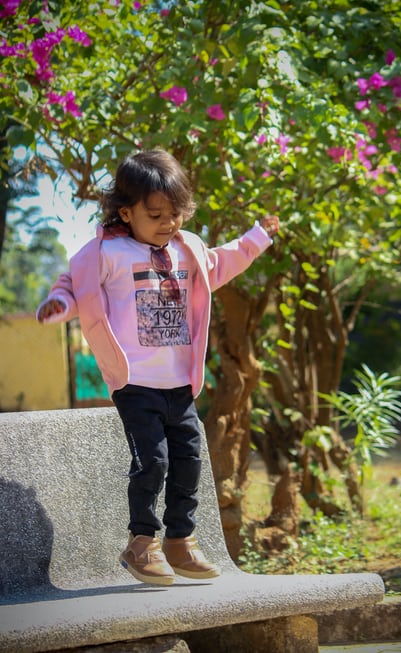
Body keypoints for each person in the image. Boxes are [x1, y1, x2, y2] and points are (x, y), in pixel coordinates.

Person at [36, 148, 280, 586]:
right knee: (153, 461)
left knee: (189, 461)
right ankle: (142, 543)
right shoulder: (108, 253)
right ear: (126, 212)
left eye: (175, 213)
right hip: (135, 382)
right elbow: (74, 286)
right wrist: (58, 304)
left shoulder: (187, 249)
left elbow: (222, 262)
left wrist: (257, 238)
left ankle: (180, 541)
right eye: (155, 215)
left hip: (179, 384)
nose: (168, 223)